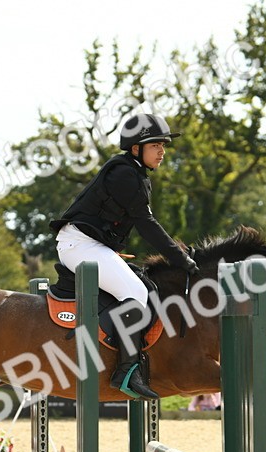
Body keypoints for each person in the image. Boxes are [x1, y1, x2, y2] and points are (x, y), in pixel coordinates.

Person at [48, 113, 198, 400]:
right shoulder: (125, 174)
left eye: (163, 146)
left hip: (89, 244)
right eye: (156, 146)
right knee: (137, 294)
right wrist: (180, 259)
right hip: (80, 245)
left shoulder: (134, 173)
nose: (162, 152)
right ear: (136, 148)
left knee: (149, 287)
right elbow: (146, 224)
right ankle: (126, 371)